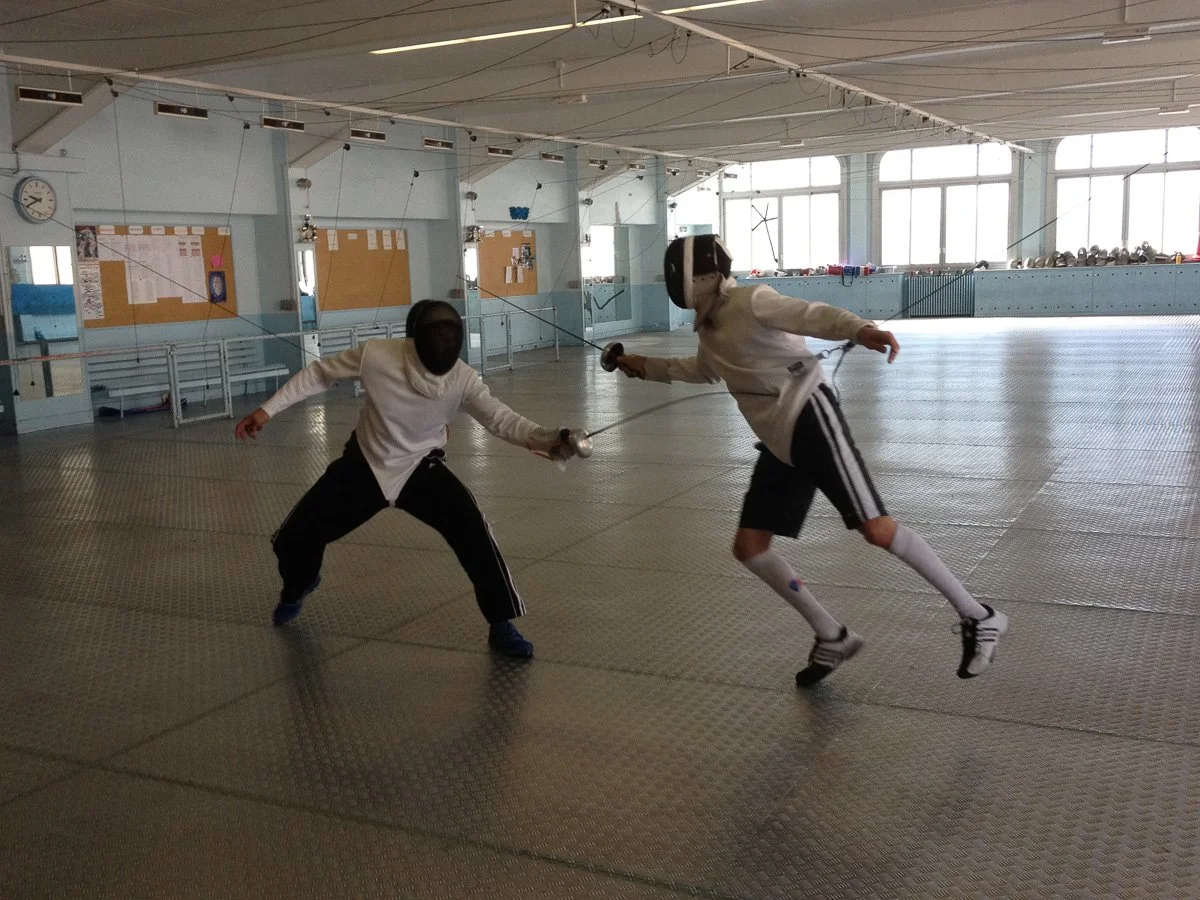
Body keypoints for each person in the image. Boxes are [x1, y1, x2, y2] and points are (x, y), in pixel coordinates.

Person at [610, 235, 1007, 685]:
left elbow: (810, 314)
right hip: (780, 442)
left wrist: (860, 328)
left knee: (876, 528)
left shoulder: (751, 300)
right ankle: (831, 634)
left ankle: (979, 615)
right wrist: (642, 364)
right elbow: (703, 370)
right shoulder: (711, 325)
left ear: (698, 276)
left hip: (810, 418)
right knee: (750, 548)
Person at [236, 299, 582, 657]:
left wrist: (550, 438)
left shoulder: (462, 378)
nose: (442, 346)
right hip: (366, 464)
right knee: (294, 537)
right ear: (414, 339)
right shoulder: (378, 356)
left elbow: (501, 420)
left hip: (421, 468)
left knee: (475, 532)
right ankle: (298, 586)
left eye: (448, 338)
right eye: (435, 337)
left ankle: (501, 623)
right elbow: (321, 373)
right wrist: (267, 409)